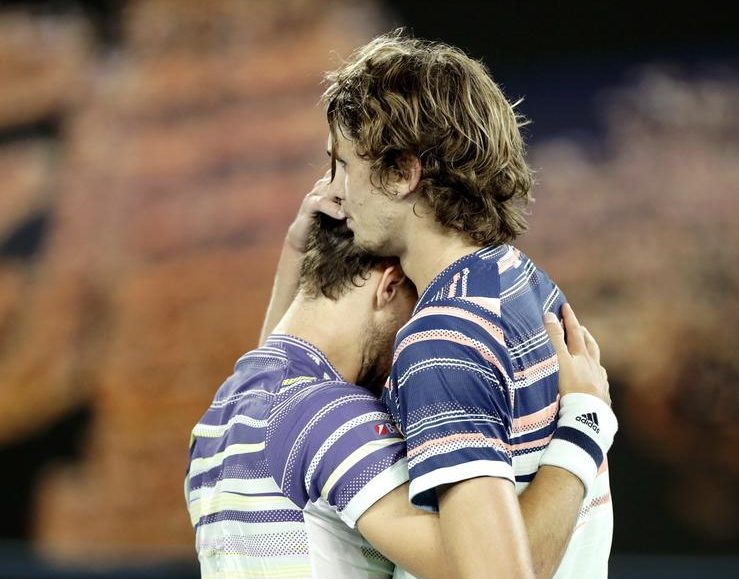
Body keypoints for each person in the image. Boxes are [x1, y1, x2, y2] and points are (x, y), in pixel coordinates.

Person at [186, 185, 613, 578]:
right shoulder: (331, 418)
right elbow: (494, 570)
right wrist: (585, 422)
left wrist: (296, 248)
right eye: (418, 302)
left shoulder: (224, 413)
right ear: (390, 285)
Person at [320, 31, 616, 578]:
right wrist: (587, 424)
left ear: (402, 173)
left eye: (343, 165)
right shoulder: (523, 281)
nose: (332, 192)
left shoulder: (442, 339)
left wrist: (584, 429)